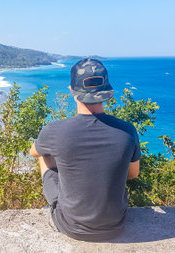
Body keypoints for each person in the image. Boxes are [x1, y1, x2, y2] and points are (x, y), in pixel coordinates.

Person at [30, 58, 141, 241]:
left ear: (72, 90)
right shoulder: (127, 131)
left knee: (44, 155)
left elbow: (34, 151)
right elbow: (132, 174)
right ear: (106, 91)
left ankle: (59, 206)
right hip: (115, 224)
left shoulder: (56, 130)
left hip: (70, 226)